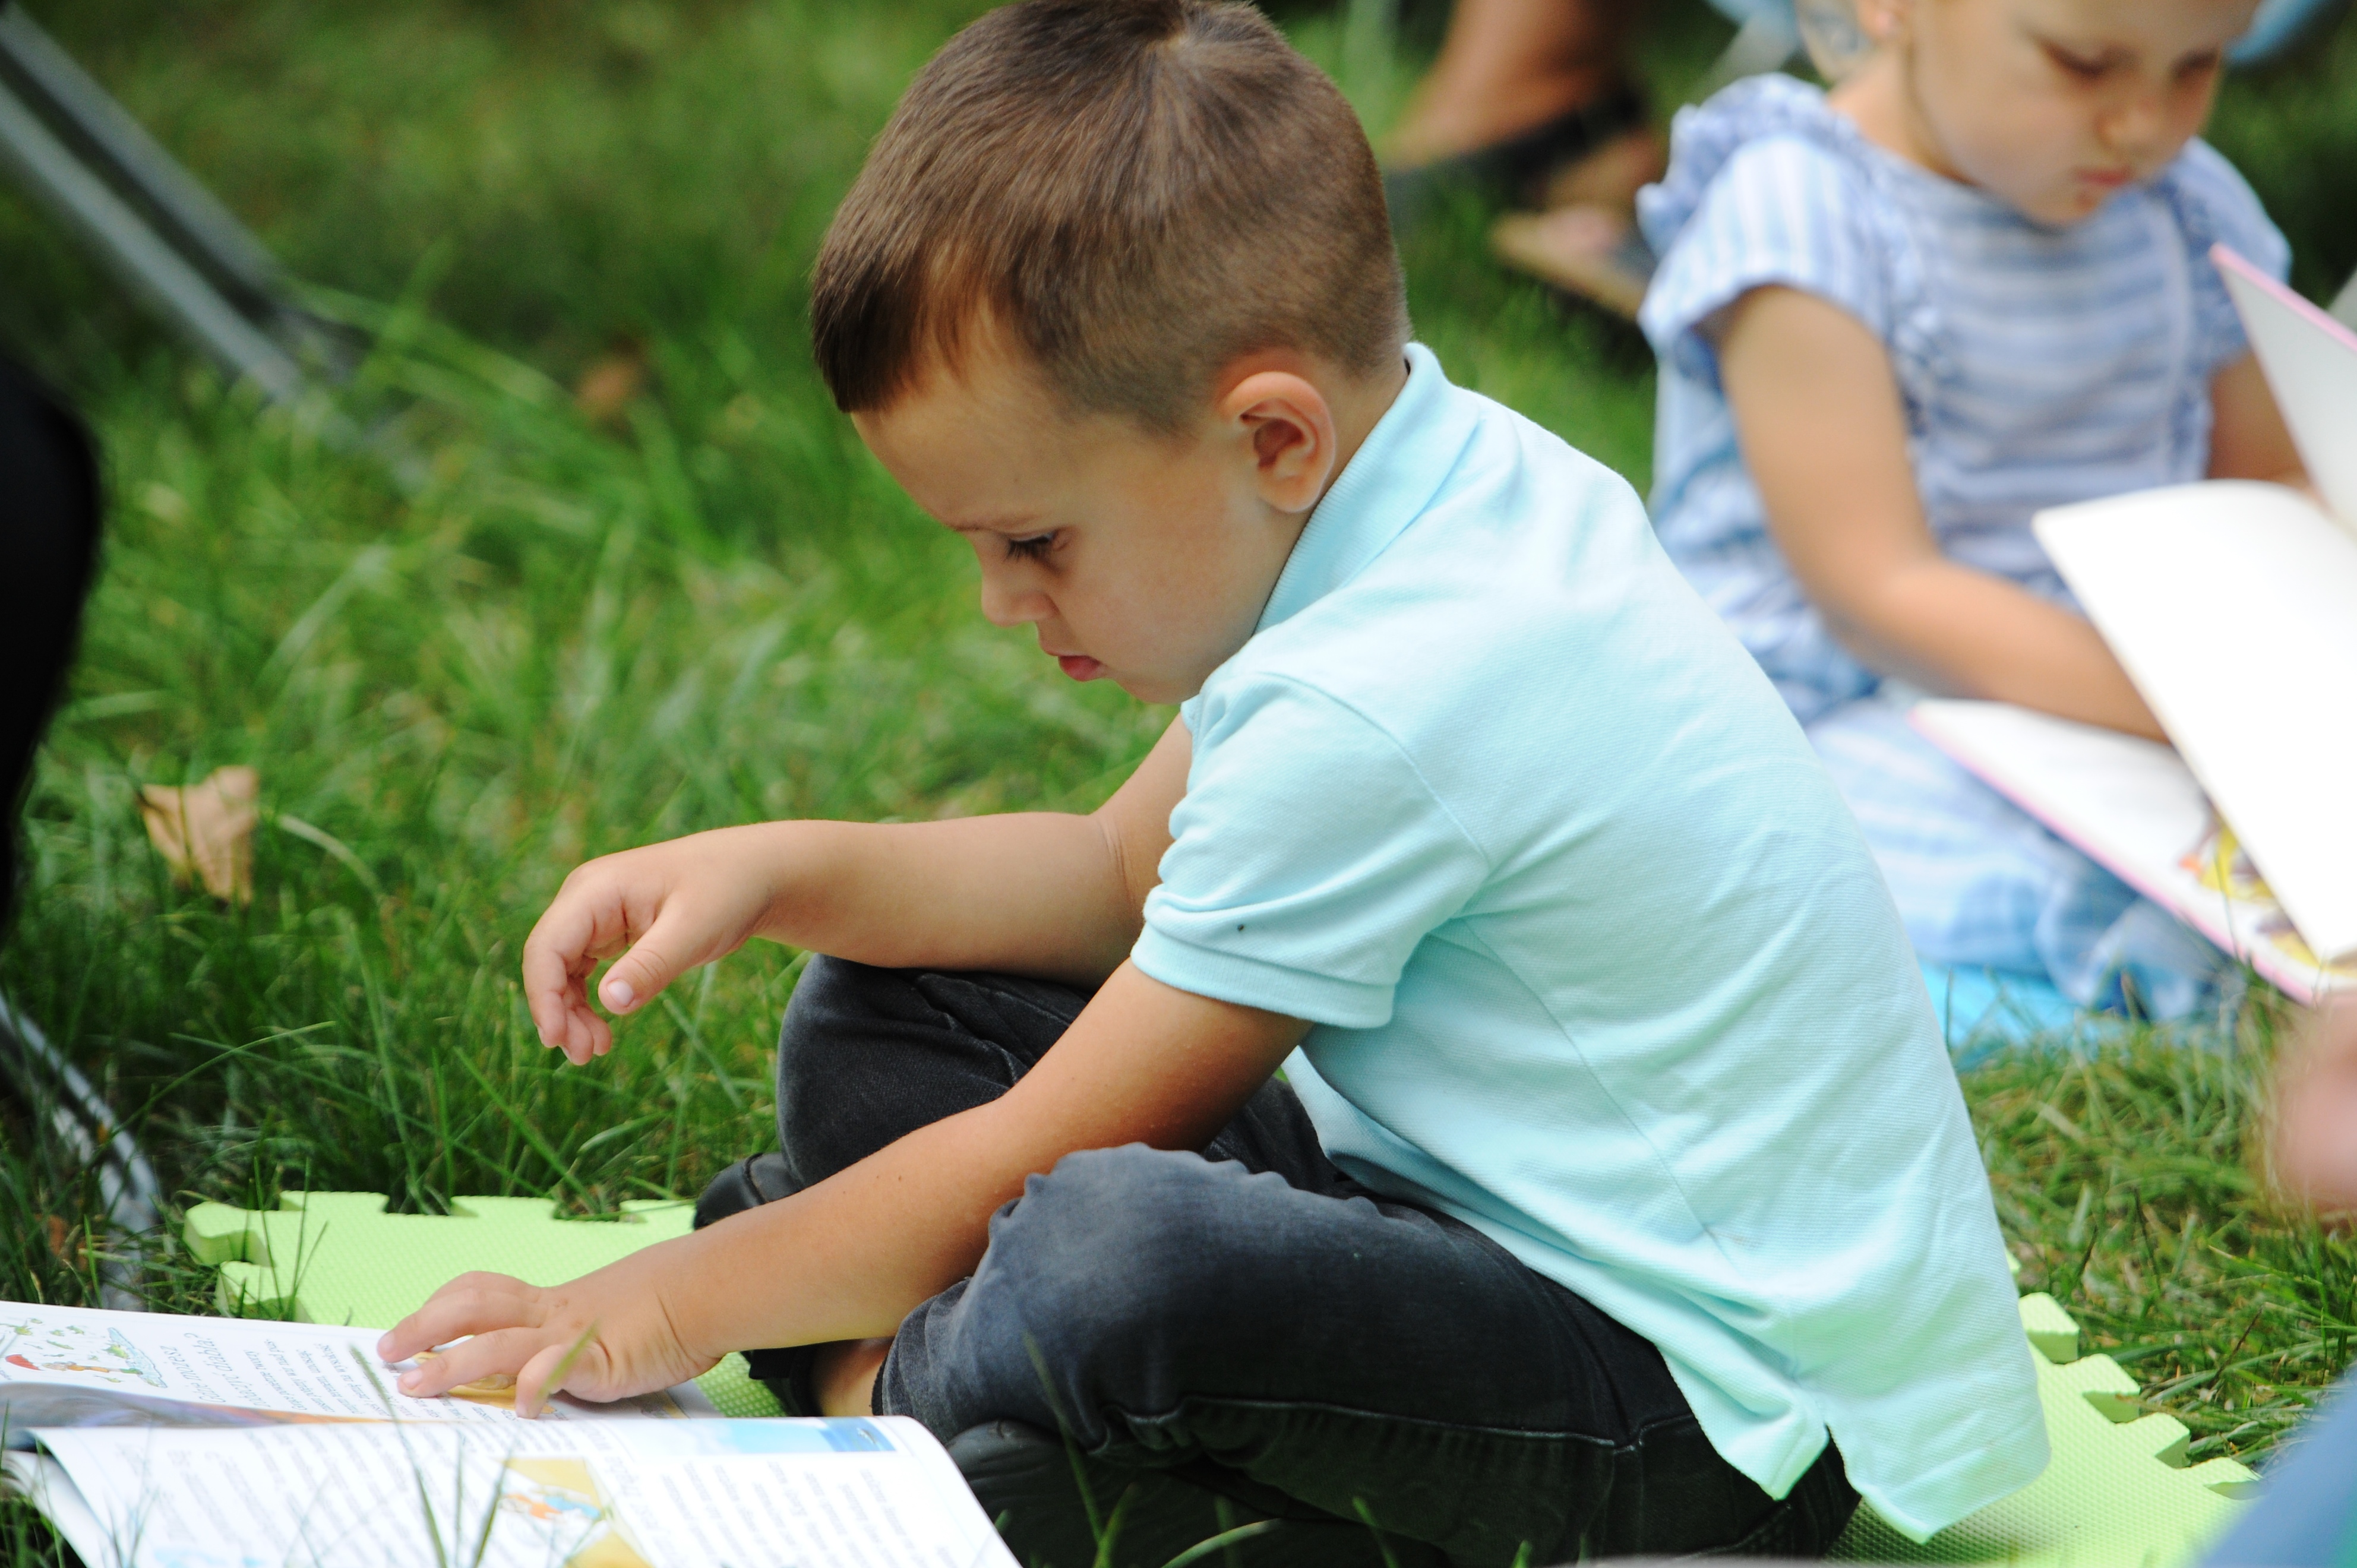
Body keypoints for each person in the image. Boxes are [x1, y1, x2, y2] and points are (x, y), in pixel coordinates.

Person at [379, 4, 2046, 1563]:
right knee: (884, 999)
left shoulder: (1396, 689)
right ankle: (926, 1355)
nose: (1000, 602)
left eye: (1035, 541)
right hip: (1454, 1202)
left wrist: (670, 1302)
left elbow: (1058, 1144)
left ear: (1271, 440)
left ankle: (884, 1379)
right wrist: (780, 868)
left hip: (1708, 1406)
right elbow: (1120, 880)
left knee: (1114, 1256)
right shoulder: (1428, 477)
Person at [1635, 0, 2310, 1020]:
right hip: (1837, 706)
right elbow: (1880, 593)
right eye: (2085, 63)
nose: (2143, 124)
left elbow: (2260, 494)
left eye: (2197, 65)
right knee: (1998, 868)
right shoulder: (1806, 209)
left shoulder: (2185, 209)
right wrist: (2202, 708)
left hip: (2106, 704)